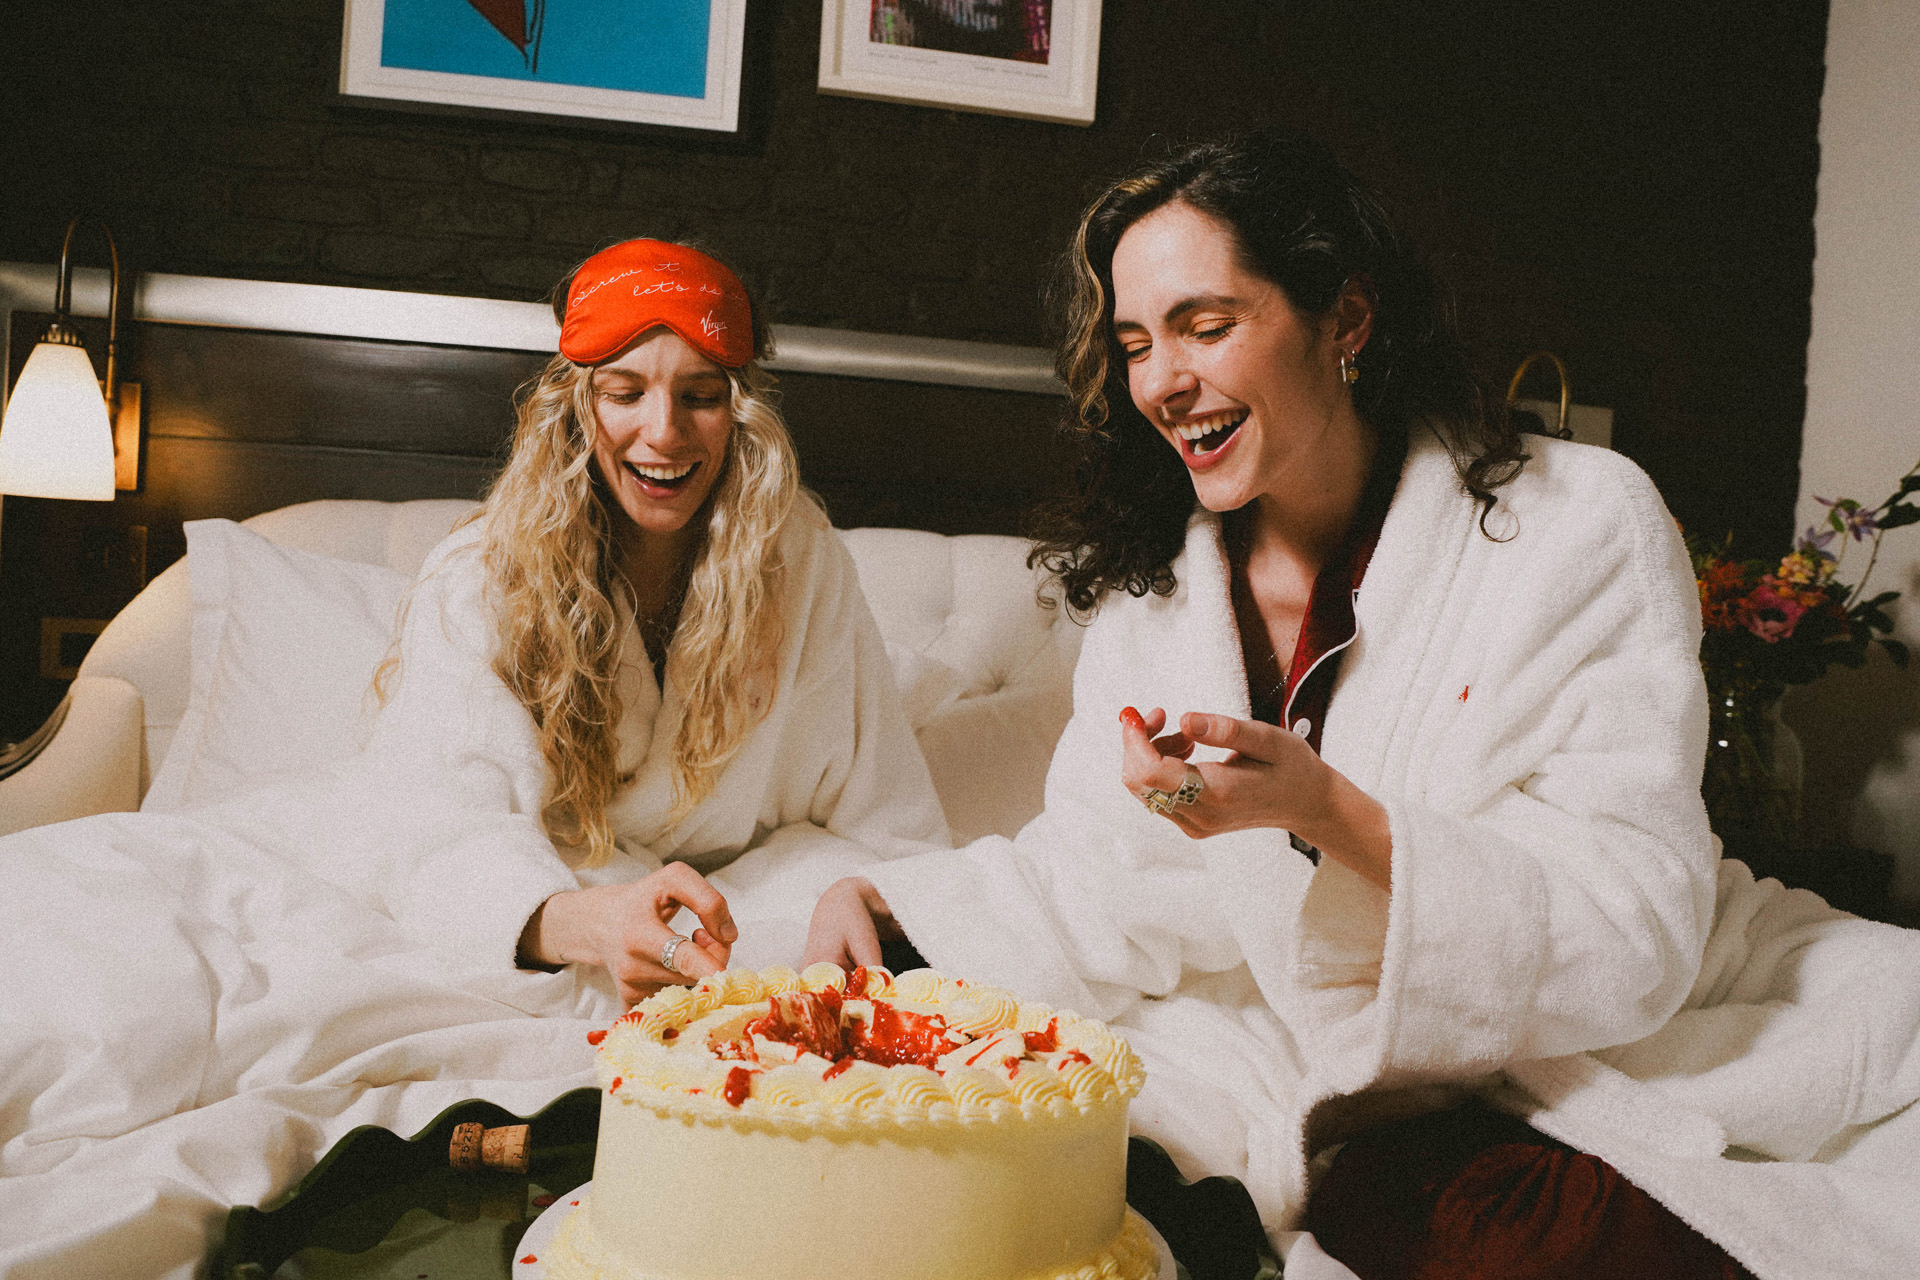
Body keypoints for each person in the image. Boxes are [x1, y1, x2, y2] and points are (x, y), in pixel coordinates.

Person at [803, 133, 1920, 1278]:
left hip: (1623, 1031)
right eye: (1135, 343)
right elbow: (1111, 874)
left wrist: (1340, 815)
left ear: (1345, 320)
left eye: (1206, 323)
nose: (1160, 380)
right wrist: (902, 908)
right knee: (1026, 1167)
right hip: (1344, 1072)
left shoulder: (1580, 523)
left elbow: (1635, 922)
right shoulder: (1159, 600)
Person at [338, 237, 951, 1006]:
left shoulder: (804, 563)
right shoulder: (482, 575)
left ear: (741, 414)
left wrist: (857, 893)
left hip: (751, 911)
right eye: (624, 393)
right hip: (559, 909)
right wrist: (588, 923)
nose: (663, 433)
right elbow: (434, 832)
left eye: (700, 396)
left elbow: (888, 818)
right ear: (576, 407)